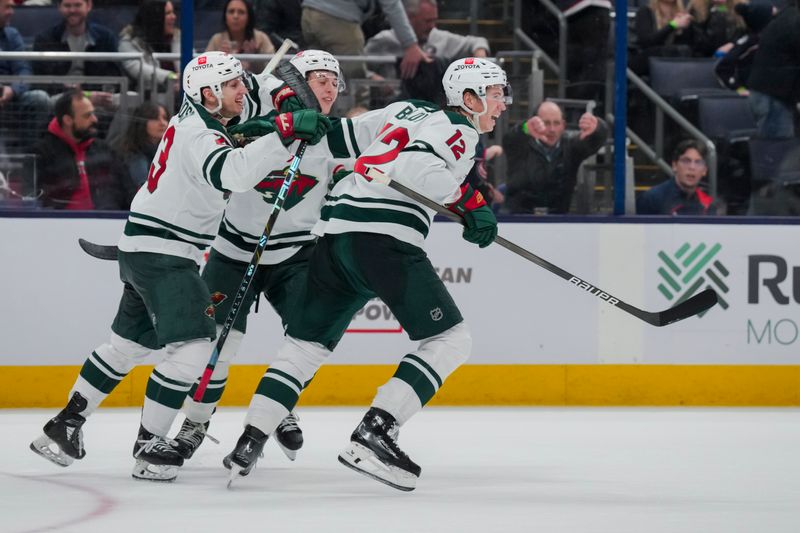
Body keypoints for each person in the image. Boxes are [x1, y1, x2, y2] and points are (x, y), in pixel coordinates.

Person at [29, 51, 332, 482]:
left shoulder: (194, 123)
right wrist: (282, 132)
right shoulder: (198, 134)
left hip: (143, 249)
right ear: (208, 93)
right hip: (166, 257)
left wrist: (265, 123)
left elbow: (234, 138)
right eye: (230, 86)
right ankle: (149, 447)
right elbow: (234, 174)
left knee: (126, 346)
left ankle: (63, 426)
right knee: (194, 346)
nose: (241, 91)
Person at [224, 57, 510, 492]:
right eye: (494, 94)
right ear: (468, 99)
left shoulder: (406, 110)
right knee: (451, 340)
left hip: (335, 236)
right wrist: (468, 203)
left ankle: (250, 439)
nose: (502, 104)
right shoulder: (461, 131)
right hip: (384, 240)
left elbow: (337, 137)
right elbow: (416, 169)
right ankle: (376, 431)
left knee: (305, 344)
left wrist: (275, 127)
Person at [171, 49, 348, 463]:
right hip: (234, 251)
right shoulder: (260, 117)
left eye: (333, 80)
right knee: (216, 346)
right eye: (318, 78)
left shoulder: (341, 135)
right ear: (296, 84)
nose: (328, 87)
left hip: (297, 254)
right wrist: (279, 114)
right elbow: (251, 87)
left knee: (308, 337)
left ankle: (280, 406)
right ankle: (196, 421)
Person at [301, 0, 429, 108]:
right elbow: (391, 3)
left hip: (309, 13)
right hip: (338, 18)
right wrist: (410, 44)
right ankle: (355, 132)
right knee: (356, 88)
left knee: (319, 78)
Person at [503, 101, 608, 215]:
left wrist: (598, 127)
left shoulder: (571, 147)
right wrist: (525, 128)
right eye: (546, 123)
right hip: (519, 220)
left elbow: (594, 141)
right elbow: (511, 138)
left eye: (556, 123)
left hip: (559, 220)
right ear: (535, 123)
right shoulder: (520, 146)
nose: (552, 129)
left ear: (563, 125)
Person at [33, 89, 125, 209]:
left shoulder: (103, 149)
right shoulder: (42, 152)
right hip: (58, 222)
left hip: (104, 221)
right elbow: (37, 196)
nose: (95, 119)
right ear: (68, 120)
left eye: (93, 113)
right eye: (87, 115)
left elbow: (123, 187)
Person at [364, 0, 490, 81]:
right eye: (427, 21)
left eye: (434, 20)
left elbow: (477, 42)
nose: (432, 26)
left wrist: (481, 58)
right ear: (408, 18)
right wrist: (376, 80)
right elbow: (356, 67)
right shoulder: (383, 40)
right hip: (391, 108)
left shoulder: (440, 37)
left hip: (434, 109)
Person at [32, 0, 119, 104]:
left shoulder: (106, 37)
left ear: (89, 6)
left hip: (97, 96)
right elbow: (41, 82)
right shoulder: (44, 39)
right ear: (59, 7)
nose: (72, 10)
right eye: (67, 6)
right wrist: (83, 95)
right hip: (62, 98)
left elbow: (114, 76)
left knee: (126, 98)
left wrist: (91, 93)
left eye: (77, 5)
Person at [0, 0, 51, 151]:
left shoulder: (12, 35)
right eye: (7, 7)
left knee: (39, 98)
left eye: (12, 7)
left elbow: (23, 70)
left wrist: (13, 90)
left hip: (8, 98)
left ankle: (28, 157)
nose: (11, 12)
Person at [746, 0, 800, 139]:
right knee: (775, 150)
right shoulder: (794, 21)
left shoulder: (789, 15)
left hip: (773, 92)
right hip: (773, 96)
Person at [637, 139, 717, 215]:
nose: (692, 167)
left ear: (704, 170)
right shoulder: (652, 199)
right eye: (686, 161)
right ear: (674, 165)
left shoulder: (708, 204)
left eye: (698, 162)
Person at [112, 101, 169, 207]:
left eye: (165, 118)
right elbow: (145, 193)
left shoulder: (169, 153)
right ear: (142, 123)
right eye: (155, 118)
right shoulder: (134, 158)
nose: (162, 123)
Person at [118, 0, 179, 96]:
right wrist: (171, 77)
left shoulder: (178, 38)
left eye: (173, 12)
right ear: (155, 17)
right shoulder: (130, 41)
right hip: (147, 100)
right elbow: (137, 67)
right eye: (168, 13)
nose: (173, 17)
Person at [206, 0, 275, 73]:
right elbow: (204, 70)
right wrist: (219, 60)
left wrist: (254, 60)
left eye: (241, 12)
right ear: (225, 16)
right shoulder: (217, 40)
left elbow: (274, 70)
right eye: (231, 11)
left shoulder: (261, 38)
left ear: (249, 17)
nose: (235, 16)